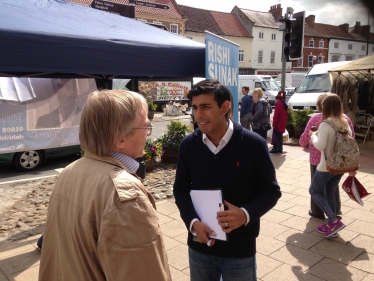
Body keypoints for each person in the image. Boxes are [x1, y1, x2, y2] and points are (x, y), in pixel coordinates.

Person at [39, 90, 171, 281]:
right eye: (145, 128)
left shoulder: (70, 171)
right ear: (120, 138)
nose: (148, 135)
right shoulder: (125, 196)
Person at [173, 79, 281, 281]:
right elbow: (180, 190)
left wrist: (245, 214)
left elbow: (271, 191)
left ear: (225, 107)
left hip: (239, 248)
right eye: (195, 108)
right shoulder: (188, 145)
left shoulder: (253, 145)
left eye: (205, 107)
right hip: (200, 245)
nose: (198, 114)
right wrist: (193, 223)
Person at [300, 93, 355, 219]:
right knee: (330, 190)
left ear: (325, 106)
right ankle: (333, 220)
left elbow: (320, 145)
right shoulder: (345, 122)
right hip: (341, 165)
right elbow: (351, 141)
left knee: (314, 191)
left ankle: (333, 219)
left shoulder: (325, 123)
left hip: (326, 164)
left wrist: (313, 135)